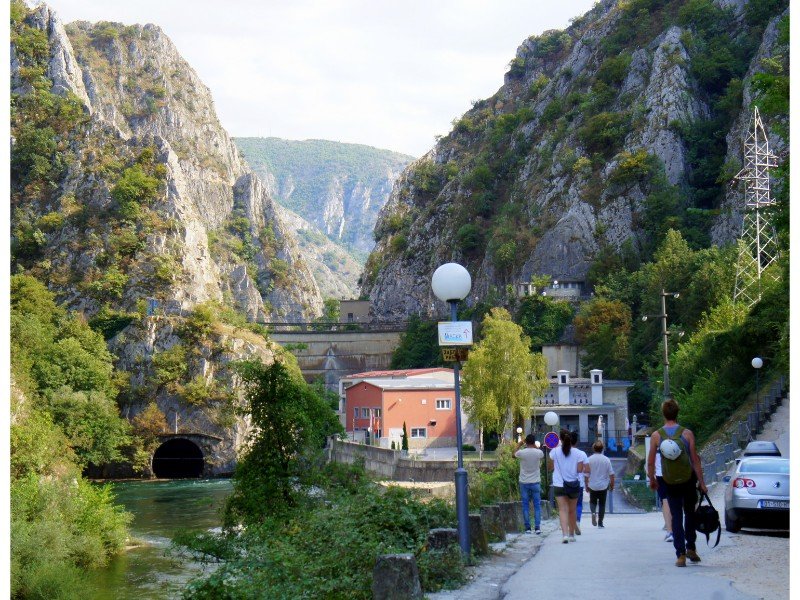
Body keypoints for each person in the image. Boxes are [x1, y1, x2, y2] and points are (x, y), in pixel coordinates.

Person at [647, 398, 708, 567]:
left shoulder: (656, 435)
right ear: (677, 412)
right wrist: (702, 483)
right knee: (690, 513)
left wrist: (652, 479)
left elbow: (651, 461)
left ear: (663, 414)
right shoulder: (687, 434)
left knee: (676, 516)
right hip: (688, 480)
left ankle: (680, 555)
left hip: (669, 481)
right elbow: (695, 461)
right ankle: (692, 548)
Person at [548, 429, 584, 543]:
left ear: (560, 439)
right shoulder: (578, 453)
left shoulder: (554, 452)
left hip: (559, 484)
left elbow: (550, 468)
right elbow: (579, 470)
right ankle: (571, 534)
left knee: (562, 510)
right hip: (573, 485)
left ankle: (564, 535)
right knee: (572, 511)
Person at [514, 434, 544, 534]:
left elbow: (513, 454)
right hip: (536, 482)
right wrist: (534, 445)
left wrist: (520, 443)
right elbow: (541, 454)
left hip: (524, 481)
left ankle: (527, 528)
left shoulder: (521, 453)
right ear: (534, 442)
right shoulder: (539, 452)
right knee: (537, 505)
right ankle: (537, 527)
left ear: (526, 442)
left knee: (525, 505)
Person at [585, 439, 614, 528]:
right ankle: (600, 523)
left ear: (594, 449)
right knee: (602, 504)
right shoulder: (606, 460)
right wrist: (612, 485)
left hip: (592, 485)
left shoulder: (589, 459)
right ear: (602, 449)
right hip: (603, 486)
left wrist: (586, 485)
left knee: (592, 501)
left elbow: (586, 474)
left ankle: (593, 513)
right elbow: (611, 474)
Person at [570, 431, 588, 534]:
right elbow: (587, 469)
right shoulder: (582, 454)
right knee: (578, 504)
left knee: (567, 505)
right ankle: (577, 521)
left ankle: (569, 526)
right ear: (576, 442)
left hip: (565, 483)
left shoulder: (563, 453)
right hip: (578, 483)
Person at [654, 452, 674, 542]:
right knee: (678, 500)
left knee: (665, 501)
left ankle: (670, 531)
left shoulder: (656, 438)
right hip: (679, 474)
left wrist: (651, 477)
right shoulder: (684, 437)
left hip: (661, 474)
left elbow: (650, 462)